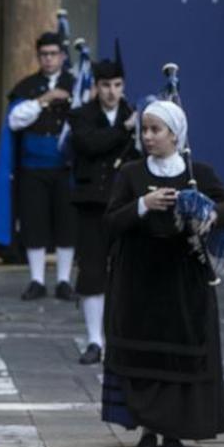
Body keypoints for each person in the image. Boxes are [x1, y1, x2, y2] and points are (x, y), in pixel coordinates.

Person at [102, 101, 224, 447]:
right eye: (145, 130)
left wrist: (208, 212)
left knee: (179, 355)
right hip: (140, 279)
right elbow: (112, 221)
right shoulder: (132, 174)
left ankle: (175, 431)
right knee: (145, 357)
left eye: (156, 130)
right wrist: (143, 204)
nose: (148, 137)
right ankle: (148, 429)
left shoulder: (198, 172)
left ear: (175, 134)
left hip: (183, 280)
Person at [68, 53, 137, 365]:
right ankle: (95, 340)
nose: (112, 91)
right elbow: (89, 145)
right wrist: (124, 130)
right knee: (93, 270)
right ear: (96, 87)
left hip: (126, 205)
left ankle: (121, 338)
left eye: (117, 85)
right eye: (106, 85)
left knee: (126, 271)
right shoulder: (82, 115)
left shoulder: (137, 114)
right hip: (92, 205)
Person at [7, 32, 76, 301]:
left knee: (66, 222)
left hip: (66, 167)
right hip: (33, 167)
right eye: (44, 55)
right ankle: (36, 280)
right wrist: (44, 99)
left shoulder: (77, 84)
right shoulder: (27, 86)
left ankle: (63, 280)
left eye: (53, 54)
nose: (48, 59)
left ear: (62, 56)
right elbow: (15, 120)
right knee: (34, 222)